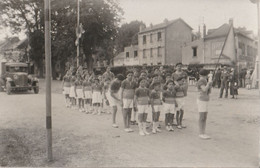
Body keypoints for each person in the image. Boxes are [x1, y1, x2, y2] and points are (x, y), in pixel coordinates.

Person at [196, 68, 213, 140]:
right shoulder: (201, 81)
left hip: (205, 99)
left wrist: (210, 85)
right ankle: (201, 133)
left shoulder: (205, 81)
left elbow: (209, 91)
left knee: (205, 117)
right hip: (201, 100)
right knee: (202, 117)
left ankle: (203, 132)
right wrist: (208, 84)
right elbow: (204, 89)